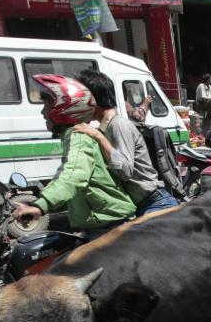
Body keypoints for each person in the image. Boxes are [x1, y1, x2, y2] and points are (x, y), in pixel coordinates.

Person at [12, 75, 136, 231]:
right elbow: (67, 179)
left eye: (46, 106)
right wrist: (38, 202)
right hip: (101, 222)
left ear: (64, 108)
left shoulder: (78, 137)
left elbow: (73, 174)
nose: (43, 113)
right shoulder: (74, 135)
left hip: (109, 225)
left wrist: (40, 206)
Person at [74, 69, 178, 217]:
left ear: (94, 99)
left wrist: (99, 137)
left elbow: (125, 171)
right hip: (136, 206)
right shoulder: (104, 128)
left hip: (155, 204)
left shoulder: (118, 125)